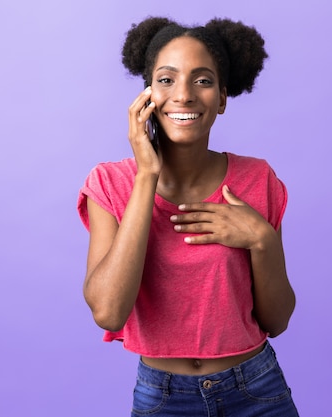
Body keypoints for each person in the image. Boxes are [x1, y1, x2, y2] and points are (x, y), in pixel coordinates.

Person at [77, 16, 299, 417]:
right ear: (146, 95)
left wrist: (261, 239)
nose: (184, 95)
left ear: (223, 97)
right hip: (163, 398)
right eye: (166, 80)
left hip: (257, 389)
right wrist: (147, 175)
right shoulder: (110, 182)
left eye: (202, 80)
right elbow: (109, 312)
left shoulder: (256, 178)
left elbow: (277, 319)